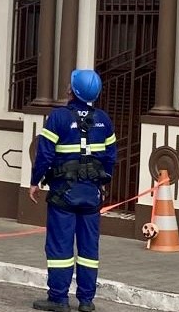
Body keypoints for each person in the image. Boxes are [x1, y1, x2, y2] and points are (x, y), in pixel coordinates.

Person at [30, 69, 117, 312]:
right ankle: (87, 301)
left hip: (62, 195)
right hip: (91, 196)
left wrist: (35, 182)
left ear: (72, 90)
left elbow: (45, 154)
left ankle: (58, 299)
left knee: (60, 248)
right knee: (89, 249)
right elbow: (110, 158)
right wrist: (102, 182)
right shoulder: (104, 120)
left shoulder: (57, 117)